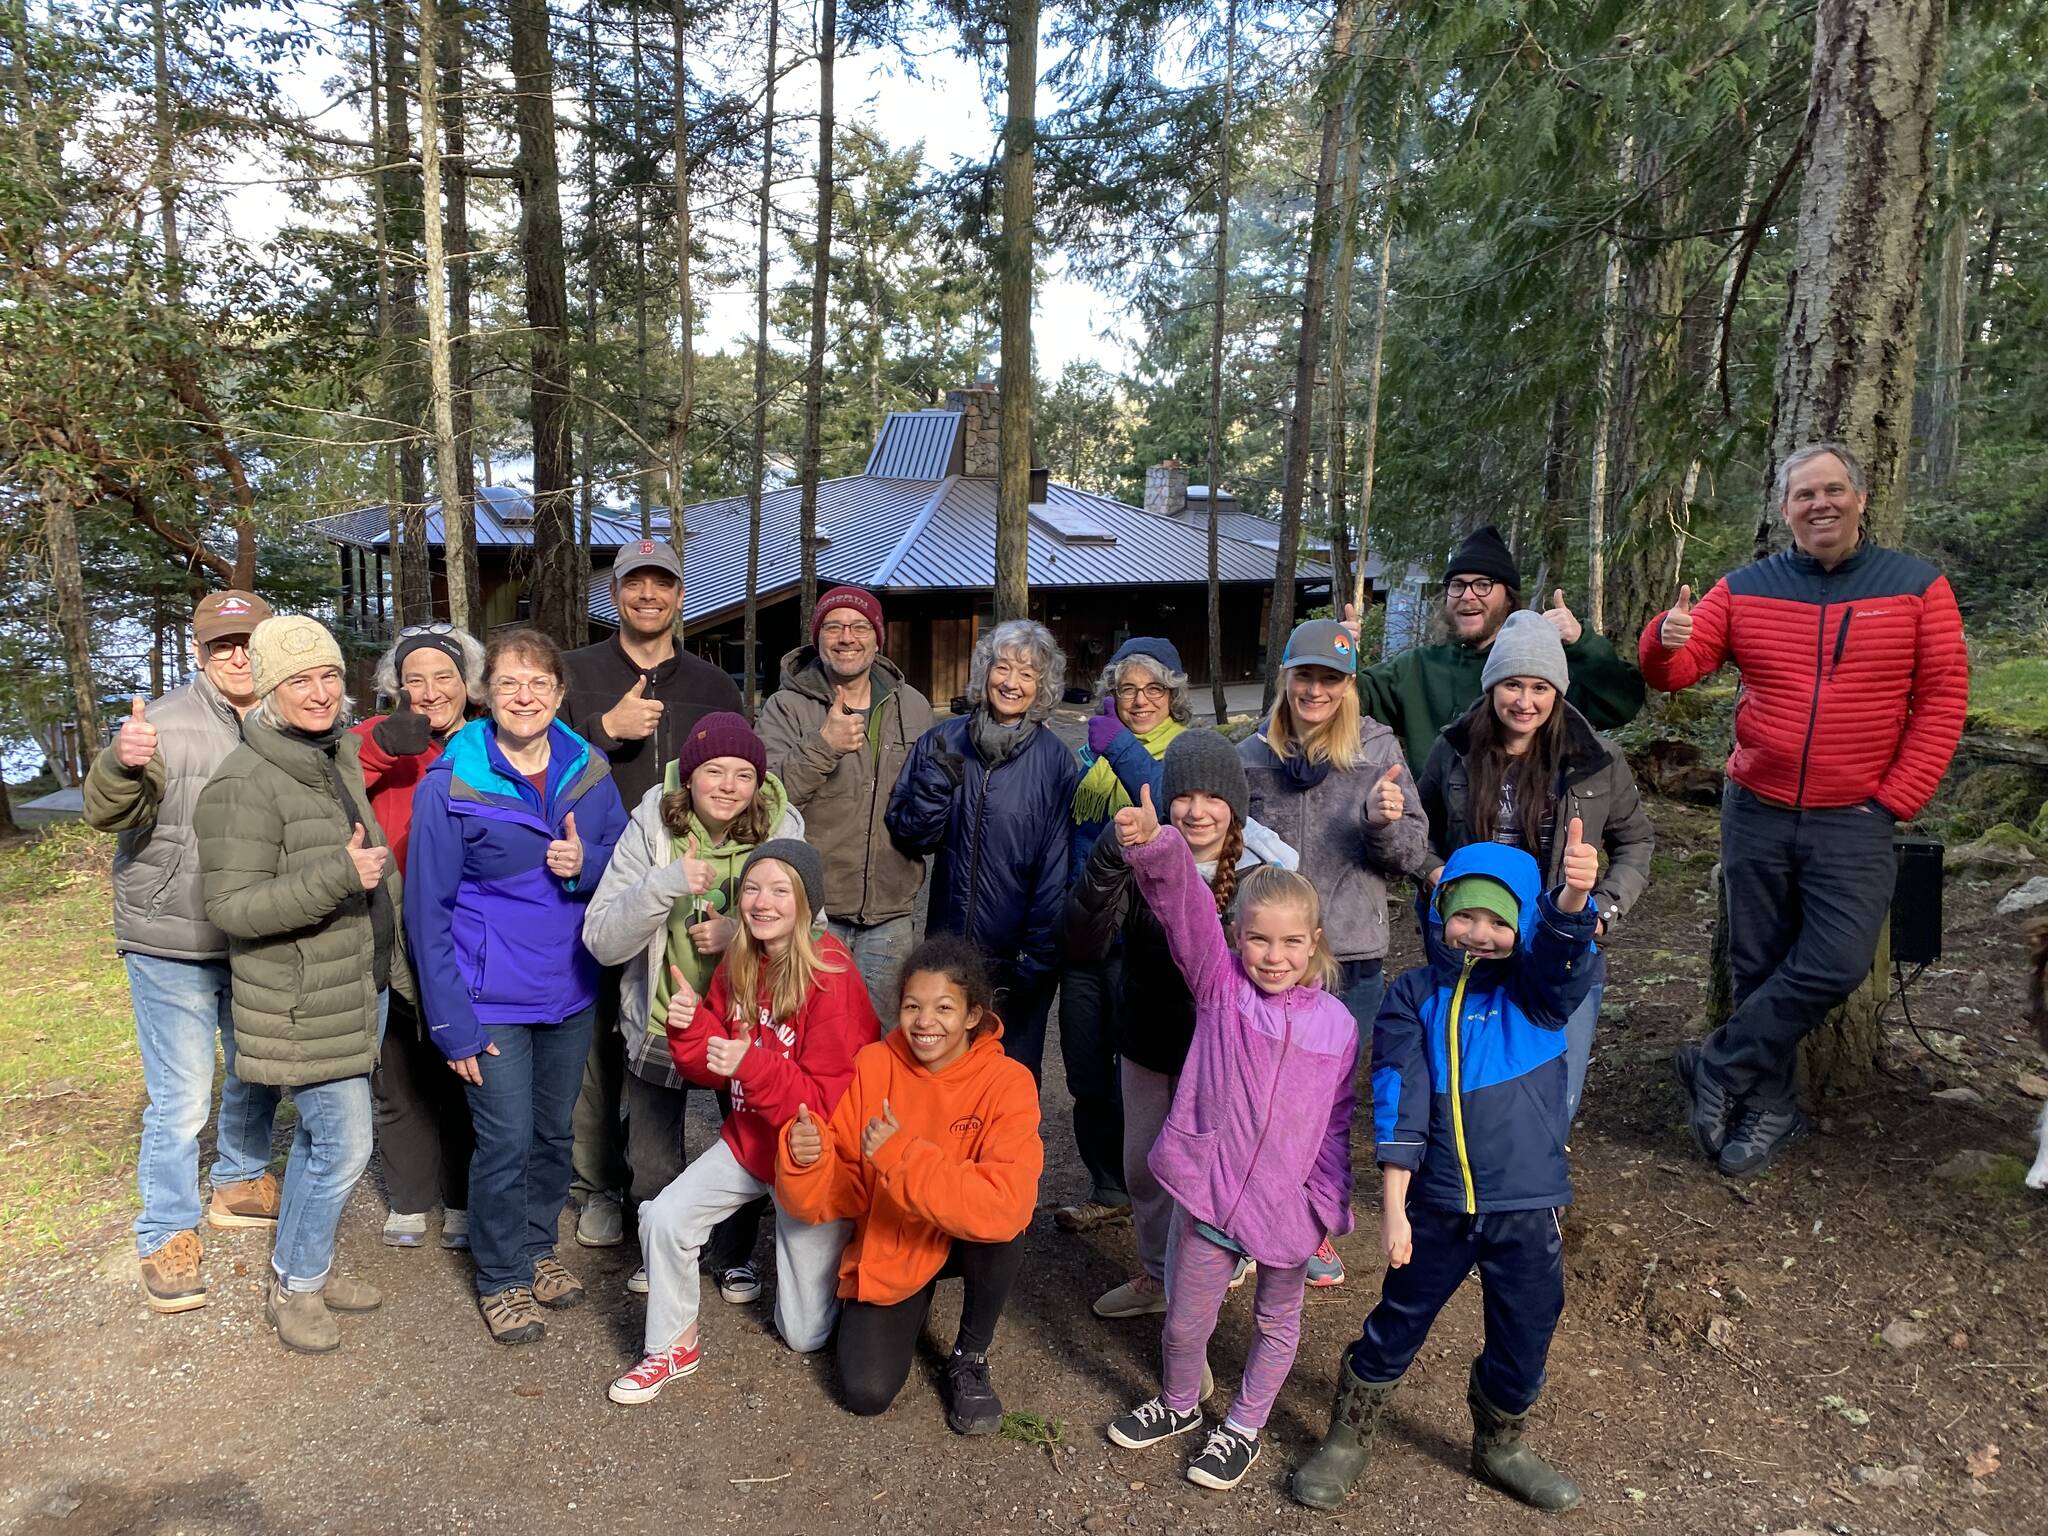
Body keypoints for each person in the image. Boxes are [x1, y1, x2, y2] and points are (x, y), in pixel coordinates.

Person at [1645, 443, 1969, 1176]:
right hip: (1756, 805)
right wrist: (1664, 640)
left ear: (1859, 499)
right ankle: (1770, 1107)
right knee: (1758, 964)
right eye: (1803, 496)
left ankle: (1718, 1063)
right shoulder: (1746, 587)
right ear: (1784, 509)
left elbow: (1943, 700)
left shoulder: (1917, 586)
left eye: (1832, 491)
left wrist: (1895, 798)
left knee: (1837, 962)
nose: (1819, 505)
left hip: (1855, 815)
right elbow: (1678, 671)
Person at [1290, 832, 1601, 1513]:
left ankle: (1501, 1444)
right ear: (1439, 914)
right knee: (1398, 1319)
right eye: (1466, 915)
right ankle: (1348, 1436)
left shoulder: (1536, 995)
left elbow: (1563, 960)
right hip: (1435, 1205)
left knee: (1526, 1328)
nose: (1479, 933)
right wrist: (1396, 1209)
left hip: (1526, 1204)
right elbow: (1399, 1101)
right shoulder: (1413, 996)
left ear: (1522, 923)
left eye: (1499, 920)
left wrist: (1573, 898)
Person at [1100, 786, 1357, 1494]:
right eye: (1258, 940)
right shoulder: (1220, 991)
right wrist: (1158, 848)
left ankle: (1242, 1426)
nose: (1274, 957)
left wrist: (1325, 1202)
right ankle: (1181, 1405)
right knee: (1185, 1324)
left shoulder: (1335, 1024)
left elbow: (1338, 1121)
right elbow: (1184, 911)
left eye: (1291, 942)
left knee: (1277, 1323)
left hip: (1288, 1208)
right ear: (1237, 937)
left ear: (1314, 944)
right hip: (1211, 1193)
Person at [405, 627, 628, 1344]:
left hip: (567, 990)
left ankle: (535, 1247)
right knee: (503, 1140)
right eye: (508, 684)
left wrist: (584, 861)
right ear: (487, 695)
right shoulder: (454, 781)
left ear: (560, 693)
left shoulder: (588, 767)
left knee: (552, 1131)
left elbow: (625, 861)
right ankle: (500, 1275)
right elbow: (424, 910)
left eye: (538, 684)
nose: (524, 696)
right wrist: (450, 1021)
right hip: (487, 998)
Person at [608, 842, 880, 1404]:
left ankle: (855, 1246)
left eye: (781, 890)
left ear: (805, 904)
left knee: (804, 1336)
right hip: (752, 1140)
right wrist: (686, 1030)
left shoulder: (833, 976)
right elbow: (714, 1062)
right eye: (753, 888)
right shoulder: (742, 961)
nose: (763, 902)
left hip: (813, 1155)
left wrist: (753, 1066)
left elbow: (828, 1105)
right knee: (663, 1218)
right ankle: (672, 1345)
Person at [193, 615, 394, 1353]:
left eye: (329, 676)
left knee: (320, 1142)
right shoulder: (243, 783)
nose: (319, 692)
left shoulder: (332, 754)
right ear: (270, 693)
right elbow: (232, 909)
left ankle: (306, 1262)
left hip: (355, 983)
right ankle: (294, 1287)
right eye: (299, 680)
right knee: (342, 1143)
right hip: (301, 997)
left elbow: (369, 858)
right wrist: (339, 876)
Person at [83, 590, 281, 1314]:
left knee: (258, 1069)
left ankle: (240, 1179)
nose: (235, 656)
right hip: (172, 937)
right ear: (200, 653)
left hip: (256, 933)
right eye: (220, 645)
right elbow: (108, 812)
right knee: (181, 1094)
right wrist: (119, 763)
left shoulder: (287, 718)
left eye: (247, 642)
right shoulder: (159, 725)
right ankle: (165, 1228)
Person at [776, 934, 1042, 1433]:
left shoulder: (1007, 1082)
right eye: (912, 1006)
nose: (925, 1022)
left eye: (944, 1007)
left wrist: (902, 1158)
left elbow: (1007, 1204)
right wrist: (805, 1161)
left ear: (971, 1016)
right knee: (866, 1392)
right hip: (897, 1236)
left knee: (1007, 1225)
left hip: (968, 1237)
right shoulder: (873, 1066)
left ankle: (969, 1353)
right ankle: (911, 1301)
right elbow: (843, 1190)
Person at [560, 537, 744, 1248]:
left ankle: (701, 1203)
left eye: (660, 584)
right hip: (589, 881)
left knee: (683, 1039)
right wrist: (601, 733)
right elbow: (532, 757)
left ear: (678, 595)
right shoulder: (576, 674)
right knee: (600, 1050)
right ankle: (598, 1187)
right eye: (634, 584)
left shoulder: (712, 685)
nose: (647, 596)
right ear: (615, 595)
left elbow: (742, 783)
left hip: (693, 892)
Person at [1065, 731, 1288, 1319]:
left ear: (1234, 805)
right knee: (1143, 1168)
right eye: (1182, 795)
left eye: (1211, 797)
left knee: (1205, 1178)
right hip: (1146, 1038)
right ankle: (1157, 1279)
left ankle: (1196, 1298)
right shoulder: (1143, 853)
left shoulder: (1263, 873)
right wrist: (1114, 855)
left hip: (1221, 1057)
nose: (1195, 810)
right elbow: (1083, 938)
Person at [582, 711, 799, 1299]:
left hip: (745, 1026)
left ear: (759, 783)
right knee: (651, 1155)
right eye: (713, 772)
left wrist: (743, 935)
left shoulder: (783, 828)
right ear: (688, 777)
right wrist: (665, 883)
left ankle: (733, 1256)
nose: (728, 786)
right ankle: (661, 1245)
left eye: (742, 775)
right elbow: (601, 940)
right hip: (661, 1019)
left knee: (747, 1139)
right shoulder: (652, 825)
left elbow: (813, 929)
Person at [1238, 618, 1425, 1285]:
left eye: (1330, 679)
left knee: (1325, 1101)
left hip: (1350, 958)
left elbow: (1410, 857)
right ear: (1284, 677)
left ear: (1349, 685)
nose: (1315, 690)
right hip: (1268, 960)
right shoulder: (1250, 754)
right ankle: (1245, 1219)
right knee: (1258, 1095)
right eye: (1304, 675)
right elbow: (1227, 853)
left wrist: (1383, 823)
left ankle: (1315, 1226)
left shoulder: (1379, 750)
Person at [1416, 611, 1654, 1122]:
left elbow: (1636, 841)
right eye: (1513, 684)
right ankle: (1465, 1171)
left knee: (1553, 1072)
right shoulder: (1454, 750)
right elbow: (1422, 831)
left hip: (1558, 940)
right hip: (1475, 936)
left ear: (1558, 692)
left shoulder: (1598, 759)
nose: (1525, 701)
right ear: (1492, 685)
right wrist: (1439, 878)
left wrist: (1603, 909)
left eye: (1540, 687)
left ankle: (1541, 1184)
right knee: (1470, 1065)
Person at [886, 619, 1079, 1082]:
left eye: (1027, 674)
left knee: (1010, 1073)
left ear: (1042, 687)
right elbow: (910, 836)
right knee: (944, 1067)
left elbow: (1057, 867)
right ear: (984, 671)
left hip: (1015, 952)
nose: (1011, 683)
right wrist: (933, 793)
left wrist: (1037, 954)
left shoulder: (1055, 761)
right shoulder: (943, 740)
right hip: (949, 942)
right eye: (1003, 667)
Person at [352, 623, 486, 1251]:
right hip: (388, 925)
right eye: (415, 681)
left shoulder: (486, 743)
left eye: (444, 677)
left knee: (458, 1069)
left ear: (468, 684)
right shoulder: (382, 738)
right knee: (397, 1070)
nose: (430, 692)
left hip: (461, 928)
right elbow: (336, 770)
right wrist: (385, 743)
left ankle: (460, 1194)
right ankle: (410, 1195)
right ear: (396, 689)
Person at [1056, 636, 1190, 1233]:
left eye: (1153, 689)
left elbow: (1167, 802)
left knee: (1141, 1073)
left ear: (1173, 695)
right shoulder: (1089, 762)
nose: (1138, 700)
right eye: (1127, 689)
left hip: (1143, 943)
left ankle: (1158, 1194)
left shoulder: (1186, 751)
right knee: (1085, 1069)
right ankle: (1108, 1185)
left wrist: (1122, 749)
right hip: (1086, 938)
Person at [756, 584, 934, 1019]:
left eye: (859, 627)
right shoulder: (786, 707)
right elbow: (766, 801)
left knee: (882, 1044)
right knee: (808, 1036)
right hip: (812, 914)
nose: (846, 637)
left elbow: (930, 796)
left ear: (878, 638)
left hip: (891, 914)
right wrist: (823, 745)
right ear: (817, 638)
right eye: (833, 627)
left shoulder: (912, 706)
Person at [1355, 525, 1646, 771]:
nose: (1467, 595)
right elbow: (1351, 699)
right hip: (1437, 831)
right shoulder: (1416, 668)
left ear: (1508, 597)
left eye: (1482, 584)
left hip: (1529, 828)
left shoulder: (1542, 669)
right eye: (1457, 585)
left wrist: (1583, 644)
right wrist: (1338, 657)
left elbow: (1621, 703)